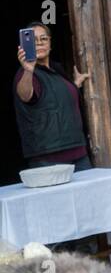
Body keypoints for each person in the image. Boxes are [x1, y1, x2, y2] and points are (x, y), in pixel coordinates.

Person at [13, 22, 91, 172]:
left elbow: (58, 98)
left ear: (50, 43)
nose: (39, 43)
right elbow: (25, 96)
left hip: (78, 152)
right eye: (34, 40)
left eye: (44, 39)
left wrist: (74, 85)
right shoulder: (26, 74)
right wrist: (28, 70)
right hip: (48, 158)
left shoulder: (57, 71)